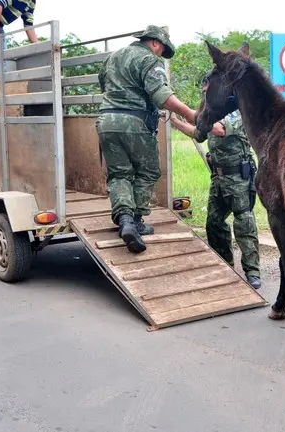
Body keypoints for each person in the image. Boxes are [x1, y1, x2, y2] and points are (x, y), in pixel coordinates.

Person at [96, 25, 213, 254]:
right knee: (147, 172)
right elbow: (163, 97)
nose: (160, 54)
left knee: (119, 174)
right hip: (135, 123)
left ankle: (125, 220)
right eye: (162, 49)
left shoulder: (113, 58)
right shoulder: (149, 60)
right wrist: (191, 114)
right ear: (155, 43)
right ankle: (136, 221)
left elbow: (104, 86)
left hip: (106, 121)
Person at [170, 43, 261, 290]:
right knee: (214, 223)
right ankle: (225, 265)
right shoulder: (211, 111)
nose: (207, 88)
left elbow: (218, 129)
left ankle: (252, 271)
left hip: (239, 177)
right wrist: (177, 123)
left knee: (244, 223)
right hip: (218, 178)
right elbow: (200, 133)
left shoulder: (238, 110)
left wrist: (193, 115)